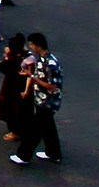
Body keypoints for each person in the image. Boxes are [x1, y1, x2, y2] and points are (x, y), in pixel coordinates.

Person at [11, 32, 63, 165]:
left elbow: (52, 86)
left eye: (32, 45)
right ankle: (53, 153)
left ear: (38, 45)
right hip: (41, 100)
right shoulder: (42, 58)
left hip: (47, 102)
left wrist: (33, 78)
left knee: (34, 131)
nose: (31, 47)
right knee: (48, 128)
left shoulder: (51, 64)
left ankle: (24, 156)